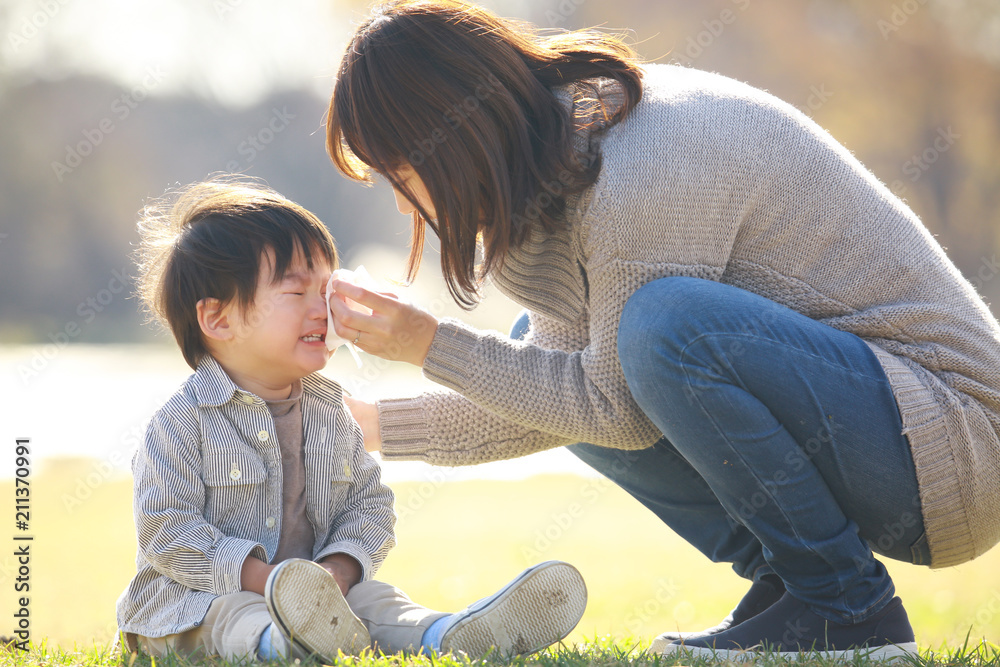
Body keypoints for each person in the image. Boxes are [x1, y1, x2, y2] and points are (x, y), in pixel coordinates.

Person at [320, 0, 1000, 661]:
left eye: (401, 172)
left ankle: (846, 606)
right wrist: (364, 426)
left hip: (956, 445)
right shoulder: (567, 160)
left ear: (452, 135)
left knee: (662, 325)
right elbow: (561, 403)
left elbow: (610, 406)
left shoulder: (645, 166)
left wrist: (428, 345)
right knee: (569, 354)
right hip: (896, 440)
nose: (408, 199)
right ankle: (793, 583)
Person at [115, 177, 587, 663]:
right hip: (190, 606)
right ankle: (280, 646)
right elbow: (165, 532)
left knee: (376, 601)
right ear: (218, 320)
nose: (324, 309)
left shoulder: (331, 411)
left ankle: (444, 634)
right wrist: (267, 581)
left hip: (317, 595)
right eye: (297, 292)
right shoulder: (181, 423)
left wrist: (337, 573)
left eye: (327, 288)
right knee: (233, 613)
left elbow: (370, 505)